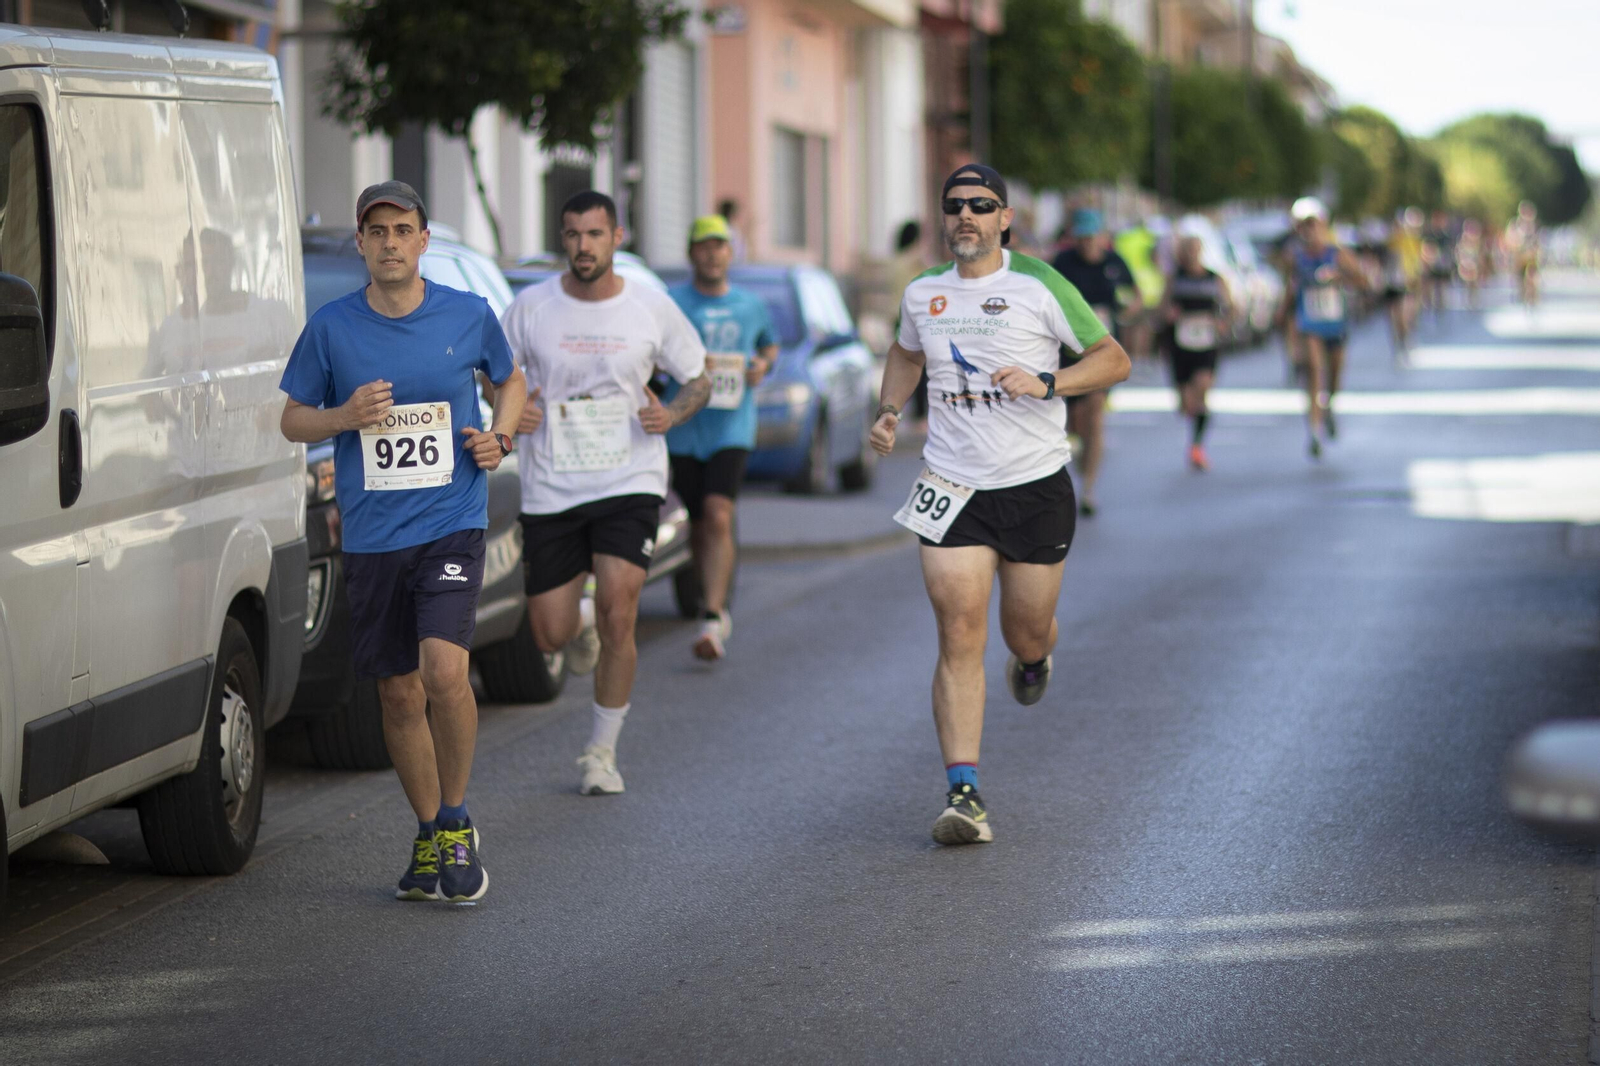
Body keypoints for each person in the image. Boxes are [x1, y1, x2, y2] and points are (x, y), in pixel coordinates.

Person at [279, 181, 526, 903]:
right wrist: (344, 414)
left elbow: (510, 384)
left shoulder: (467, 313)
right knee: (396, 692)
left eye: (403, 230)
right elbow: (293, 420)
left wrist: (499, 437)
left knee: (445, 674)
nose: (390, 242)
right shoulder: (331, 328)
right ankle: (426, 833)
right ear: (361, 243)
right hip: (373, 533)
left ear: (423, 241)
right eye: (377, 231)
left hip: (451, 520)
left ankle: (455, 820)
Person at [870, 164, 1130, 845]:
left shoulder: (1040, 285)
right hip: (951, 486)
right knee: (958, 631)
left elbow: (1113, 359)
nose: (966, 216)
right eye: (954, 205)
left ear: (1005, 218)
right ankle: (965, 792)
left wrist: (1050, 381)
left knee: (1026, 631)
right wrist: (890, 409)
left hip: (1035, 485)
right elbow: (904, 356)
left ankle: (1036, 659)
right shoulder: (924, 292)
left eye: (981, 206)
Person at [501, 191, 710, 795]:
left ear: (617, 237)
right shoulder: (530, 308)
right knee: (550, 633)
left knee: (624, 610)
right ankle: (581, 620)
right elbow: (494, 376)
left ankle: (600, 753)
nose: (583, 246)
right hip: (552, 484)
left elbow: (697, 377)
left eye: (595, 234)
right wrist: (515, 413)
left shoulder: (649, 306)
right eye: (572, 235)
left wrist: (670, 415)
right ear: (562, 239)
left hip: (630, 478)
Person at [664, 215, 779, 660]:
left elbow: (769, 345)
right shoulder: (671, 303)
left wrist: (762, 367)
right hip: (684, 428)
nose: (712, 254)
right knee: (697, 520)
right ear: (692, 253)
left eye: (720, 246)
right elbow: (653, 353)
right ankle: (707, 588)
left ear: (731, 253)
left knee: (717, 512)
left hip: (732, 426)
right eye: (704, 246)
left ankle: (712, 616)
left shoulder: (750, 305)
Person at [1050, 208, 1140, 516]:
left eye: (1093, 237)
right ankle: (1081, 458)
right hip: (1066, 355)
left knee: (1096, 414)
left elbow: (1135, 293)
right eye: (1083, 238)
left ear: (1102, 237)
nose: (1089, 243)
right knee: (1075, 424)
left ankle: (1088, 489)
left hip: (1102, 355)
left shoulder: (1114, 263)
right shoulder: (1063, 264)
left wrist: (1125, 313)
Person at [1286, 197, 1366, 459]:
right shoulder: (1295, 258)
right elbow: (1289, 289)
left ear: (1322, 226)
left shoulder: (1337, 254)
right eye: (1303, 227)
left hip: (1335, 324)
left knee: (1333, 374)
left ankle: (1328, 407)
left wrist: (1339, 277)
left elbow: (1362, 280)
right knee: (1314, 371)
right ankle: (1313, 431)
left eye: (1313, 225)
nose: (1309, 232)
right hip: (1309, 324)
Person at [1161, 234, 1233, 470]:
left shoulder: (1214, 278)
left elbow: (1232, 307)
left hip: (1206, 343)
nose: (1191, 253)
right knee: (1186, 404)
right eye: (1187, 249)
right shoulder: (1174, 279)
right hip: (1180, 344)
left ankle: (1197, 446)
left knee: (1202, 388)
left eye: (1195, 249)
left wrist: (1224, 322)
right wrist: (1167, 314)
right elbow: (1161, 307)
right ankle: (1192, 422)